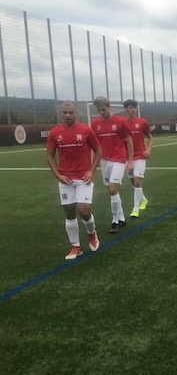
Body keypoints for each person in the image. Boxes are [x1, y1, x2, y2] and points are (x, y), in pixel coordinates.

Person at [46, 101, 102, 259]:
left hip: (84, 178)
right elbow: (50, 155)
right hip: (65, 180)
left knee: (84, 211)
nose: (68, 115)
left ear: (76, 113)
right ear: (61, 113)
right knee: (69, 212)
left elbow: (98, 151)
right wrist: (58, 175)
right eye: (65, 112)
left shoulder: (86, 130)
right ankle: (76, 247)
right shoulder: (55, 133)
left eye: (71, 112)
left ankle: (92, 233)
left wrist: (91, 171)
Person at [91, 96, 134, 233]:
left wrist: (130, 161)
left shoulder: (120, 122)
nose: (101, 112)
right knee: (111, 191)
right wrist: (92, 163)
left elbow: (129, 141)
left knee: (113, 188)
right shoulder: (95, 123)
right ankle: (122, 218)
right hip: (104, 160)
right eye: (99, 110)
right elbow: (94, 145)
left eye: (103, 109)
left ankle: (115, 221)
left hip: (119, 159)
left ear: (109, 107)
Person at [123, 99, 153, 218]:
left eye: (134, 107)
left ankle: (135, 208)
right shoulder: (121, 123)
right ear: (125, 109)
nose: (133, 110)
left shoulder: (142, 122)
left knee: (137, 180)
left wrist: (148, 149)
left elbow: (150, 137)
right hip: (127, 158)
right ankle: (144, 199)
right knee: (133, 182)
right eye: (130, 107)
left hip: (140, 156)